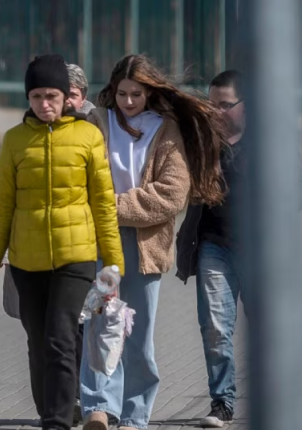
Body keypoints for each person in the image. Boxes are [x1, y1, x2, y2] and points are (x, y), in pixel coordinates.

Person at [0, 53, 124, 430]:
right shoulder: (14, 141)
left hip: (76, 258)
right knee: (38, 343)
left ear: (65, 97)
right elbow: (1, 211)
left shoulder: (89, 137)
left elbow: (104, 205)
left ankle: (56, 422)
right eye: (37, 96)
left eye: (52, 96)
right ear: (28, 97)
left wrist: (113, 263)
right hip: (27, 262)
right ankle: (50, 411)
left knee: (61, 338)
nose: (45, 104)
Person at [80, 54, 226, 430]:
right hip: (99, 239)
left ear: (150, 92)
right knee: (100, 325)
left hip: (144, 244)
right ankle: (98, 406)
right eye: (122, 93)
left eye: (136, 94)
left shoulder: (166, 128)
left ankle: (134, 413)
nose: (128, 102)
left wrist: (111, 206)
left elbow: (173, 194)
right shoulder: (97, 122)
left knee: (137, 334)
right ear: (112, 90)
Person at [175, 70, 302, 428]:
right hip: (213, 245)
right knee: (215, 327)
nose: (216, 111)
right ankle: (222, 403)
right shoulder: (202, 140)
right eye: (212, 103)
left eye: (224, 105)